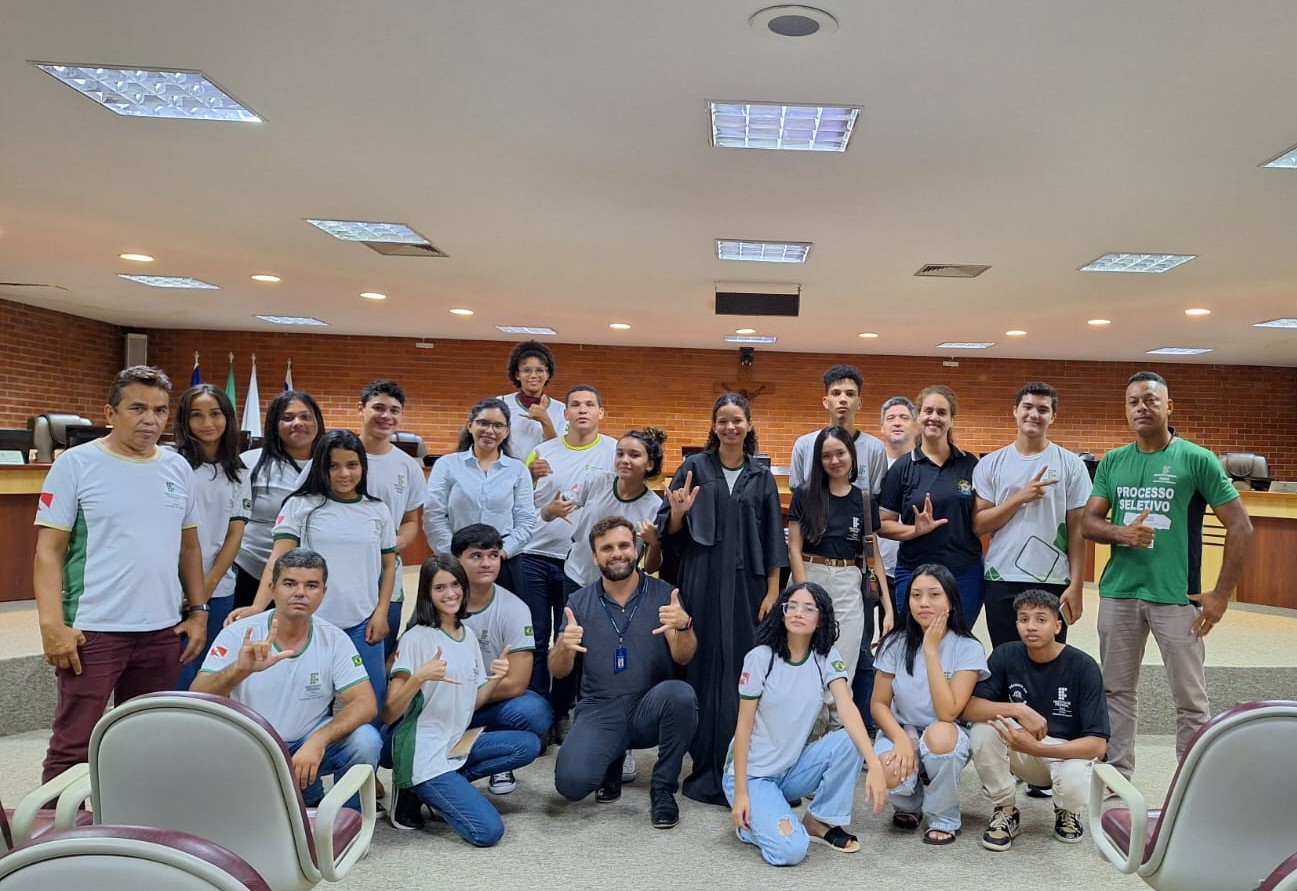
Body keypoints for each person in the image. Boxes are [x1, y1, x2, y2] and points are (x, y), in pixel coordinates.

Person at [35, 365, 208, 782]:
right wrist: (51, 625)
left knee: (146, 739)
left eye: (161, 410)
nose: (151, 420)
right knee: (74, 743)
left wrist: (199, 610)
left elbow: (189, 546)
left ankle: (133, 830)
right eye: (137, 408)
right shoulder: (76, 464)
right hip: (94, 629)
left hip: (160, 630)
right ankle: (60, 837)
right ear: (110, 413)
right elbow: (48, 550)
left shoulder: (177, 467)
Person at [1082, 371, 1252, 778]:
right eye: (1133, 402)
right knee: (1116, 692)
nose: (1141, 407)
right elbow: (1089, 522)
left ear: (1168, 406)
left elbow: (1241, 526)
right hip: (1119, 592)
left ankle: (1193, 781)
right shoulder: (1114, 461)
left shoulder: (1196, 459)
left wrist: (1221, 594)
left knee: (1190, 699)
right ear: (1126, 410)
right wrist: (1121, 533)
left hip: (1178, 598)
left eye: (1150, 400)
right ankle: (1117, 775)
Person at [657, 391, 788, 806]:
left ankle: (742, 764)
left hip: (748, 585)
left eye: (737, 420)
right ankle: (704, 764)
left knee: (743, 668)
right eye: (723, 420)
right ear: (713, 427)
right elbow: (670, 530)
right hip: (703, 579)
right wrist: (678, 511)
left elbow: (772, 538)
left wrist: (772, 591)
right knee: (703, 665)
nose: (730, 427)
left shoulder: (760, 476)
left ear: (748, 425)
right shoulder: (694, 468)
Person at [192, 548, 381, 811]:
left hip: (306, 746)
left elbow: (365, 703)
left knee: (366, 740)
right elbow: (197, 693)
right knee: (259, 822)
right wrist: (240, 669)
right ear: (272, 588)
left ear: (323, 592)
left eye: (311, 585)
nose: (300, 593)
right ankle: (297, 795)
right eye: (290, 583)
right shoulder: (238, 633)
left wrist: (318, 741)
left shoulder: (335, 638)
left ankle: (347, 823)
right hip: (251, 747)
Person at [231, 429, 396, 718]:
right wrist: (259, 606)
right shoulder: (300, 505)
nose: (344, 473)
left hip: (362, 623)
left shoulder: (378, 510)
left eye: (352, 465)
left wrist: (381, 612)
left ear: (363, 467)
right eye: (333, 465)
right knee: (303, 703)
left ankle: (362, 758)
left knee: (370, 704)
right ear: (321, 466)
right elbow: (278, 558)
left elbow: (388, 566)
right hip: (309, 625)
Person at [725, 582, 888, 866]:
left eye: (809, 608)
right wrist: (741, 793)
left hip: (791, 769)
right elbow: (743, 728)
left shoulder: (825, 658)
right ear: (782, 613)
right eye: (792, 606)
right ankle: (752, 827)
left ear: (821, 618)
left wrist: (873, 762)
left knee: (851, 738)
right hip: (753, 775)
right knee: (790, 850)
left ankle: (820, 820)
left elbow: (847, 708)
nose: (798, 613)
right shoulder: (760, 658)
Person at [551, 517, 698, 829]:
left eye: (623, 545)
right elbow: (558, 670)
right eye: (607, 548)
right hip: (599, 709)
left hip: (649, 705)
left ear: (636, 549)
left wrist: (683, 626)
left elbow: (684, 655)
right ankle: (612, 760)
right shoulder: (578, 602)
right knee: (571, 785)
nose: (616, 553)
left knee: (681, 695)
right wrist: (564, 646)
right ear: (595, 556)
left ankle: (662, 787)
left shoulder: (664, 595)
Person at [385, 554, 541, 846]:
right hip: (423, 748)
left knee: (528, 744)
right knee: (487, 832)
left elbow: (476, 700)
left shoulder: (467, 635)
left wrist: (495, 677)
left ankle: (437, 791)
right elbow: (390, 712)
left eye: (455, 584)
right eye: (440, 587)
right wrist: (418, 677)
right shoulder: (416, 638)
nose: (451, 593)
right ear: (427, 594)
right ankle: (412, 787)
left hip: (454, 742)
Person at [963, 589, 1109, 851]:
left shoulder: (1083, 667)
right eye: (1024, 619)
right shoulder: (1005, 655)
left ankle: (1067, 811)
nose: (1031, 626)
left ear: (1057, 626)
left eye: (1041, 619)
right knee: (983, 730)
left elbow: (1097, 745)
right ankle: (1005, 809)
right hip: (1023, 749)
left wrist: (1040, 749)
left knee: (1076, 778)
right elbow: (970, 709)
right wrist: (1017, 710)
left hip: (1065, 754)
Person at [520, 385, 617, 733]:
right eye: (575, 404)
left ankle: (562, 709)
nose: (582, 410)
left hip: (578, 562)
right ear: (565, 413)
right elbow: (521, 505)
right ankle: (535, 711)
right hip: (535, 554)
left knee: (569, 638)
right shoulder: (542, 452)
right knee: (535, 636)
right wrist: (545, 508)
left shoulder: (614, 451)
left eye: (590, 404)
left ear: (600, 412)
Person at [871, 563, 988, 846]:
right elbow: (878, 704)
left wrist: (931, 650)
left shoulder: (967, 647)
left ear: (951, 600)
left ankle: (943, 816)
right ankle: (909, 804)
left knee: (940, 736)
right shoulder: (894, 644)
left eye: (934, 595)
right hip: (903, 728)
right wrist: (900, 738)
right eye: (916, 595)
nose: (924, 603)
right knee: (888, 769)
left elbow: (949, 712)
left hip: (944, 731)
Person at [973, 382, 1092, 648]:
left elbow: (1076, 530)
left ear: (1053, 416)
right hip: (1000, 576)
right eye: (1027, 407)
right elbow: (979, 524)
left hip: (1052, 579)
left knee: (1048, 656)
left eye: (1042, 409)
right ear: (1015, 411)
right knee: (1006, 655)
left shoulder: (1071, 464)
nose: (1033, 415)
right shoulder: (991, 463)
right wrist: (1020, 498)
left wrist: (1076, 585)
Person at [786, 426, 890, 727]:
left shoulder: (864, 500)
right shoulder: (805, 495)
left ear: (852, 455)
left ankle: (835, 735)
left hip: (848, 580)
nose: (834, 460)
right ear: (819, 460)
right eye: (826, 455)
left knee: (842, 662)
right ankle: (806, 733)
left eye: (840, 453)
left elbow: (873, 556)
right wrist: (804, 591)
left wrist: (887, 607)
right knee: (805, 658)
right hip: (810, 574)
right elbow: (794, 547)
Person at [452, 523, 552, 795]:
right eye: (476, 556)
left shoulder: (515, 608)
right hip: (444, 697)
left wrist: (467, 697)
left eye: (493, 555)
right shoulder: (440, 598)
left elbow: (517, 683)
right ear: (457, 561)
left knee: (535, 712)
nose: (487, 563)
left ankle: (483, 756)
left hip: (485, 698)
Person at [879, 385, 985, 625]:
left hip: (964, 572)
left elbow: (981, 519)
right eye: (928, 411)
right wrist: (914, 531)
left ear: (951, 419)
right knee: (916, 643)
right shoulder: (902, 468)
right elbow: (883, 524)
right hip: (915, 571)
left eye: (941, 412)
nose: (934, 417)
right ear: (918, 416)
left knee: (957, 641)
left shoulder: (970, 464)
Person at [172, 383, 252, 690]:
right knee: (177, 671)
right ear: (185, 421)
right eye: (197, 415)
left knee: (210, 675)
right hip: (171, 590)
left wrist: (202, 592)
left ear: (228, 418)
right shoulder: (173, 464)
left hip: (217, 588)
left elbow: (234, 536)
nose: (207, 423)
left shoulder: (240, 474)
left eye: (215, 414)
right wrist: (189, 594)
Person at [424, 397, 537, 599]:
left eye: (498, 425)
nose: (489, 430)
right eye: (483, 423)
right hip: (456, 559)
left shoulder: (517, 470)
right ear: (470, 425)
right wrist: (455, 556)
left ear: (506, 431)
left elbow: (526, 520)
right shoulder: (447, 465)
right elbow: (434, 515)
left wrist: (499, 554)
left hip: (504, 561)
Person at [233, 390, 323, 609]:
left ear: (317, 422)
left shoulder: (329, 467)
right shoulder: (250, 462)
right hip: (248, 569)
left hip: (303, 577)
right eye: (288, 417)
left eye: (305, 416)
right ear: (274, 424)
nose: (297, 423)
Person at [355, 380, 426, 659]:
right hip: (339, 573)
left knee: (377, 652)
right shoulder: (335, 455)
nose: (387, 416)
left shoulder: (407, 466)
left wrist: (392, 545)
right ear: (360, 409)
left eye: (394, 410)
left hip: (386, 575)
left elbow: (411, 521)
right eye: (379, 408)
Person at [859, 397, 915, 724]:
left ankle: (903, 715)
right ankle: (869, 718)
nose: (897, 422)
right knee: (867, 646)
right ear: (882, 426)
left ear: (915, 424)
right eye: (890, 417)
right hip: (872, 570)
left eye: (904, 417)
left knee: (903, 646)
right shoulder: (873, 467)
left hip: (908, 571)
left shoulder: (920, 466)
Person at [788, 364, 888, 497]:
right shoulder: (803, 445)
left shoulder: (875, 448)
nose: (843, 399)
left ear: (859, 403)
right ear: (825, 401)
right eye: (836, 393)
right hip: (814, 517)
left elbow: (877, 500)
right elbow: (797, 498)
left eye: (850, 394)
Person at [498, 340, 566, 462]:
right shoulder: (501, 404)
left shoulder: (561, 409)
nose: (533, 375)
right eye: (527, 370)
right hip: (509, 476)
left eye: (540, 370)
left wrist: (545, 420)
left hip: (546, 476)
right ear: (517, 374)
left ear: (548, 374)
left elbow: (561, 452)